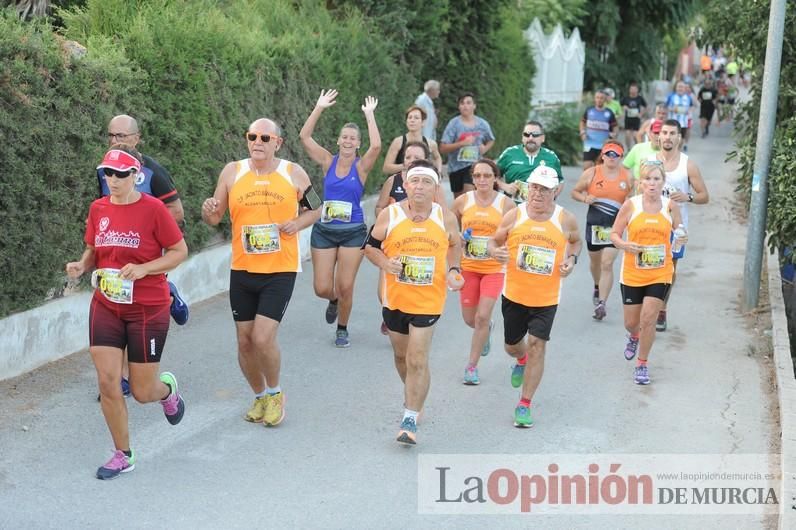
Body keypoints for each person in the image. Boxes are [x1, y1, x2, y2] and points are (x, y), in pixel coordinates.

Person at [66, 146, 188, 480]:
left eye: (121, 174)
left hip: (148, 307)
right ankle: (123, 454)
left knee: (142, 391)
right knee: (107, 381)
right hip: (106, 305)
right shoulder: (98, 208)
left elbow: (179, 251)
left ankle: (167, 391)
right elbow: (94, 247)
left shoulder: (153, 210)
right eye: (108, 173)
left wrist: (145, 268)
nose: (113, 180)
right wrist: (82, 264)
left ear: (136, 176)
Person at [201, 118, 318, 427]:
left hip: (280, 269)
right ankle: (260, 395)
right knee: (244, 342)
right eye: (252, 136)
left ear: (277, 142)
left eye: (265, 137)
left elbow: (316, 208)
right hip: (242, 267)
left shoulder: (292, 172)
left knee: (263, 337)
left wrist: (297, 223)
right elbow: (215, 217)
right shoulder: (232, 171)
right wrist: (208, 209)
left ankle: (276, 393)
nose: (258, 142)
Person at [364, 160, 464, 445]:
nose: (419, 186)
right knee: (401, 357)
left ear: (435, 188)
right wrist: (386, 263)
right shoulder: (390, 215)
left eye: (426, 182)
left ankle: (409, 417)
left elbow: (455, 244)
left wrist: (454, 270)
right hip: (395, 299)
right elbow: (369, 247)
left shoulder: (445, 217)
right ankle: (414, 396)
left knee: (417, 358)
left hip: (429, 301)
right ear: (406, 185)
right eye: (415, 181)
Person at [98, 115, 189, 400]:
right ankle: (121, 378)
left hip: (147, 250)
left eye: (122, 136)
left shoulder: (154, 172)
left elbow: (178, 211)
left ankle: (170, 295)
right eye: (112, 136)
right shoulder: (104, 169)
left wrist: (142, 220)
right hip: (117, 252)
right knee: (118, 303)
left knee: (137, 303)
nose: (116, 142)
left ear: (137, 139)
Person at [487, 166, 581, 427]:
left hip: (547, 298)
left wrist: (571, 260)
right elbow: (493, 242)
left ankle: (524, 404)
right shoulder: (514, 215)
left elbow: (575, 242)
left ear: (555, 192)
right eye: (534, 188)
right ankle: (520, 359)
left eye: (545, 189)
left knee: (538, 344)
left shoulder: (565, 219)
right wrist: (496, 253)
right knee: (512, 345)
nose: (538, 194)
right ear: (528, 189)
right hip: (515, 294)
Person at [299, 89, 381, 348]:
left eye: (353, 138)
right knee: (322, 288)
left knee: (346, 285)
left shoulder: (361, 167)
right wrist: (319, 106)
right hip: (324, 230)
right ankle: (333, 301)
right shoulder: (327, 161)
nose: (348, 141)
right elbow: (304, 136)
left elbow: (377, 146)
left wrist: (369, 115)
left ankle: (342, 328)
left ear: (358, 144)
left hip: (353, 231)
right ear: (338, 141)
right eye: (344, 137)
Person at [610, 161, 687, 385]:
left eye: (656, 179)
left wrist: (681, 237)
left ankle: (642, 364)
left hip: (660, 272)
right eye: (647, 179)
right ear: (640, 183)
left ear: (663, 182)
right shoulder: (630, 205)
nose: (652, 184)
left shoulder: (670, 206)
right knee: (631, 322)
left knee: (649, 318)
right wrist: (625, 245)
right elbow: (614, 234)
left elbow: (679, 232)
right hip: (633, 272)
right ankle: (634, 336)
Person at [451, 159, 516, 384]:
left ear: (495, 178)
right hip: (468, 267)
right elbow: (448, 227)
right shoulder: (462, 201)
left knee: (481, 316)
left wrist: (504, 249)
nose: (482, 180)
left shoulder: (506, 205)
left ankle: (471, 367)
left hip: (494, 269)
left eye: (487, 175)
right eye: (477, 176)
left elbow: (514, 235)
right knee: (470, 319)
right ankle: (485, 330)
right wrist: (458, 237)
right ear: (472, 178)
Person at [373, 142, 444, 335]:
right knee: (383, 294)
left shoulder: (432, 185)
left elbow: (444, 219)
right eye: (408, 157)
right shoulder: (393, 181)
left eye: (416, 157)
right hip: (394, 243)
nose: (411, 161)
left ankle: (416, 322)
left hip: (423, 248)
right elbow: (379, 206)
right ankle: (393, 316)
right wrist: (390, 216)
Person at [651, 120, 709, 332]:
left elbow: (705, 196)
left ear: (679, 138)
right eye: (664, 132)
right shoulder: (649, 162)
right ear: (659, 137)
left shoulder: (687, 165)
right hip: (650, 225)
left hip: (676, 229)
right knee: (647, 266)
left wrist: (688, 196)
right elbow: (638, 192)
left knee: (669, 270)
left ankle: (662, 309)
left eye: (672, 133)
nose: (667, 136)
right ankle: (649, 307)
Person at [571, 141, 633, 320]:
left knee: (607, 263)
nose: (611, 158)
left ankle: (602, 304)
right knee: (596, 263)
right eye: (608, 154)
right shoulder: (591, 173)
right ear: (603, 156)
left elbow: (634, 199)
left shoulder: (627, 177)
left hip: (615, 226)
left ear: (621, 157)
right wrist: (585, 198)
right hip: (595, 225)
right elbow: (575, 192)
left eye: (616, 155)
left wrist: (630, 199)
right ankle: (597, 285)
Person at [439, 92, 496, 198]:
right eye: (462, 103)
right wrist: (461, 143)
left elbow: (491, 140)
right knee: (459, 200)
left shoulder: (482, 124)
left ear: (474, 106)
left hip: (474, 166)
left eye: (468, 103)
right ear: (459, 106)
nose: (465, 106)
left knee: (468, 196)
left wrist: (485, 148)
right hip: (455, 168)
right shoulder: (454, 124)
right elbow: (442, 148)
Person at [496, 120, 563, 203]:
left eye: (535, 135)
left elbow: (560, 182)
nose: (530, 138)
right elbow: (493, 176)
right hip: (512, 208)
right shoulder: (509, 154)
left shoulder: (552, 157)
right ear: (522, 137)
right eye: (526, 135)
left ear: (543, 138)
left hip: (540, 210)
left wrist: (551, 199)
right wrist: (505, 186)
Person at [381, 105, 442, 176]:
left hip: (421, 183)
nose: (412, 120)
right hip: (401, 182)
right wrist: (405, 166)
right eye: (409, 117)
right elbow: (386, 168)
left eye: (416, 118)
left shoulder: (431, 144)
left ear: (423, 122)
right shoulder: (398, 142)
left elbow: (437, 158)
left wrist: (439, 172)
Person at [580, 90, 617, 170]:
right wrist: (582, 133)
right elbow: (582, 122)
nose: (599, 100)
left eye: (601, 98)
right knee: (587, 167)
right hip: (589, 144)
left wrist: (613, 136)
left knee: (600, 169)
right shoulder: (589, 110)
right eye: (597, 97)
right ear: (595, 99)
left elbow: (615, 127)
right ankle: (588, 182)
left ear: (605, 100)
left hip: (603, 145)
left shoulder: (609, 113)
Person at [665, 81, 696, 151]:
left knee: (681, 140)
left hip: (683, 123)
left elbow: (692, 106)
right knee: (673, 139)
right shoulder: (671, 96)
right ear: (675, 88)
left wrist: (689, 110)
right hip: (673, 122)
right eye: (679, 87)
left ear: (685, 88)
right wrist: (672, 109)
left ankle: (677, 151)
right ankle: (674, 153)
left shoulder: (688, 97)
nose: (680, 88)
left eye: (682, 87)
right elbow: (665, 107)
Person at [620, 82, 647, 148]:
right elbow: (620, 106)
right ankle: (628, 149)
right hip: (628, 119)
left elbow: (646, 107)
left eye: (634, 89)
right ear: (629, 90)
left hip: (636, 119)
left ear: (637, 90)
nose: (633, 91)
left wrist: (641, 114)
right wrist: (624, 108)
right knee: (627, 135)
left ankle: (636, 148)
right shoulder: (626, 98)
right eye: (632, 89)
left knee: (636, 135)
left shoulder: (640, 98)